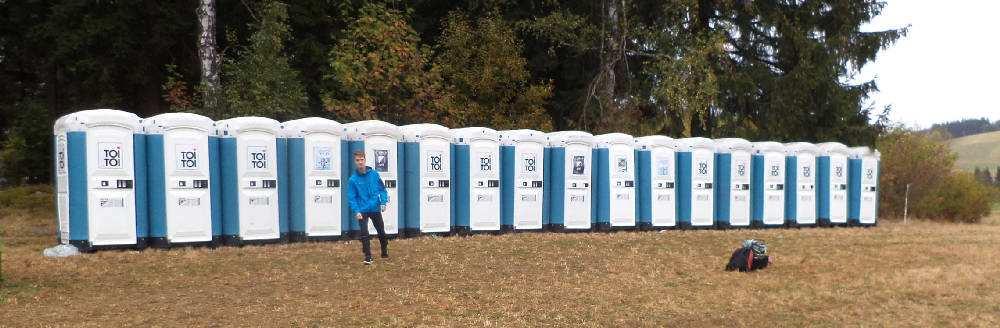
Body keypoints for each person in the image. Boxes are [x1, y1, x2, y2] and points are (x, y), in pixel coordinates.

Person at [346, 150, 390, 265]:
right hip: (362, 210)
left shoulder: (374, 174)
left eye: (362, 160)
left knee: (381, 231)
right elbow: (352, 197)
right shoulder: (353, 180)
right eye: (357, 160)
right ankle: (368, 256)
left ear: (365, 160)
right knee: (364, 233)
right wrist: (356, 211)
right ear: (355, 162)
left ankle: (384, 249)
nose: (360, 162)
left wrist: (383, 202)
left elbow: (382, 189)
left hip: (375, 208)